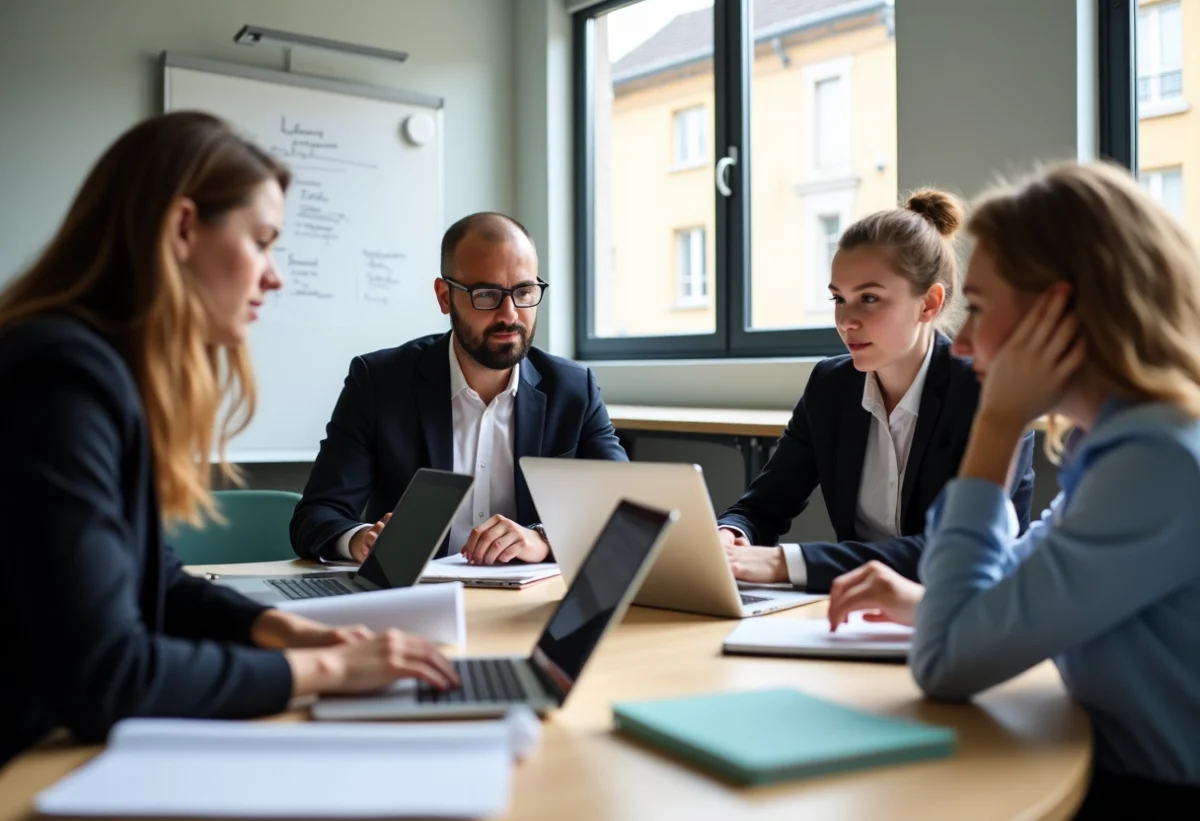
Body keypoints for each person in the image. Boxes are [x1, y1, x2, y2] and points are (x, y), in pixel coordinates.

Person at [0, 111, 457, 767]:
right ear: (183, 228)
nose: (275, 275)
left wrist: (286, 630)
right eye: (262, 241)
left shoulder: (98, 367)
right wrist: (327, 673)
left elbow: (156, 581)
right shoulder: (60, 377)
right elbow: (107, 677)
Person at [825, 162, 1200, 812]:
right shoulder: (1120, 447)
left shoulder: (1157, 464)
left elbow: (946, 665)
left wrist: (998, 425)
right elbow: (1012, 591)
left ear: (1058, 311)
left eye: (979, 308)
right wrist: (917, 599)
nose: (963, 343)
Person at [717, 191, 1035, 593]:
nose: (846, 320)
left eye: (869, 298)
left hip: (958, 611)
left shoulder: (984, 392)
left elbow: (958, 550)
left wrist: (784, 562)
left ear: (929, 304)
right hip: (855, 610)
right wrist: (730, 535)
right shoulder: (830, 387)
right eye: (839, 299)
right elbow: (763, 506)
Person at [290, 212, 627, 566]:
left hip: (527, 603)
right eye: (487, 294)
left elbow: (626, 509)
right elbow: (316, 516)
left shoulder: (573, 390)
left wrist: (544, 537)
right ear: (445, 296)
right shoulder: (379, 383)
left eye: (524, 292)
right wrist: (360, 539)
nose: (509, 315)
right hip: (413, 602)